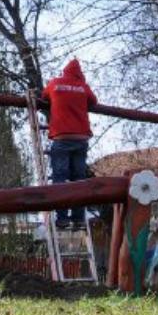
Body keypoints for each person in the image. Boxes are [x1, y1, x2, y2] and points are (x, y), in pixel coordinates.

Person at [42, 58, 98, 229]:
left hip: (61, 136)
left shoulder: (54, 83)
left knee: (59, 177)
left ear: (65, 71)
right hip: (81, 137)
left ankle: (62, 218)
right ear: (79, 73)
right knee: (79, 179)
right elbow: (94, 102)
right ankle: (79, 218)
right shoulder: (83, 87)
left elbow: (44, 97)